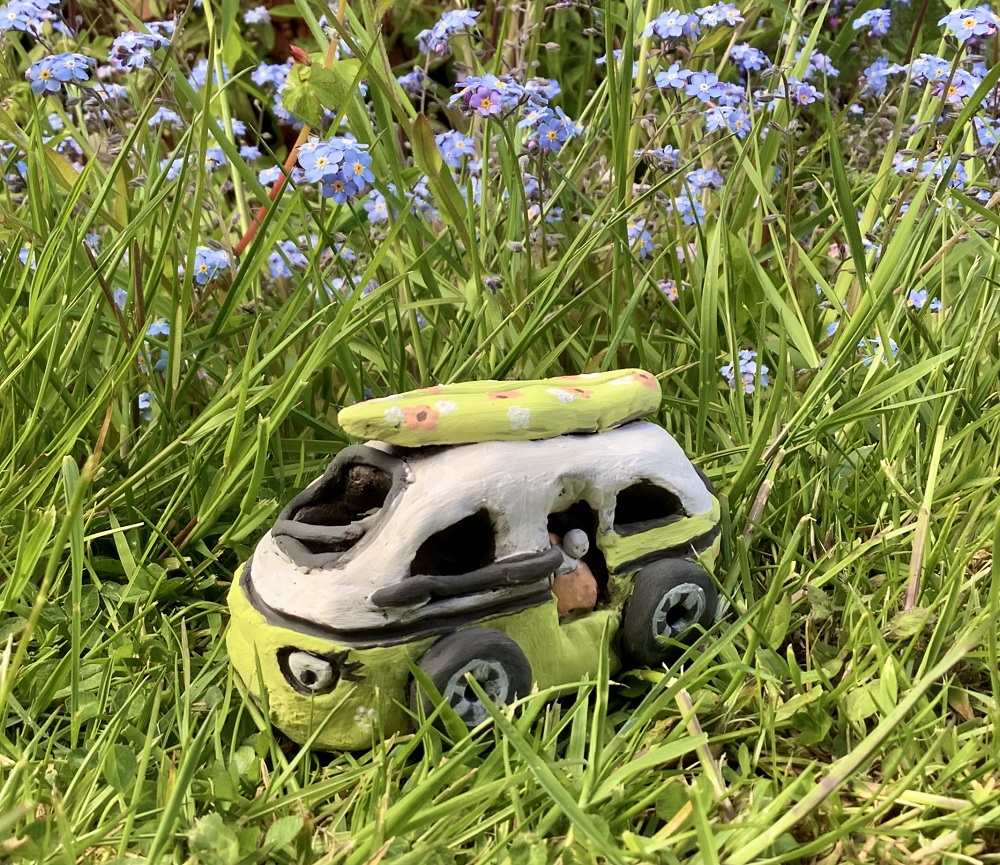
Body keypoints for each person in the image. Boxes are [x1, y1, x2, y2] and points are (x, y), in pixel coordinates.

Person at [548, 528, 598, 617]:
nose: (583, 549)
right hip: (565, 581)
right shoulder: (561, 556)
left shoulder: (558, 549)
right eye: (577, 547)